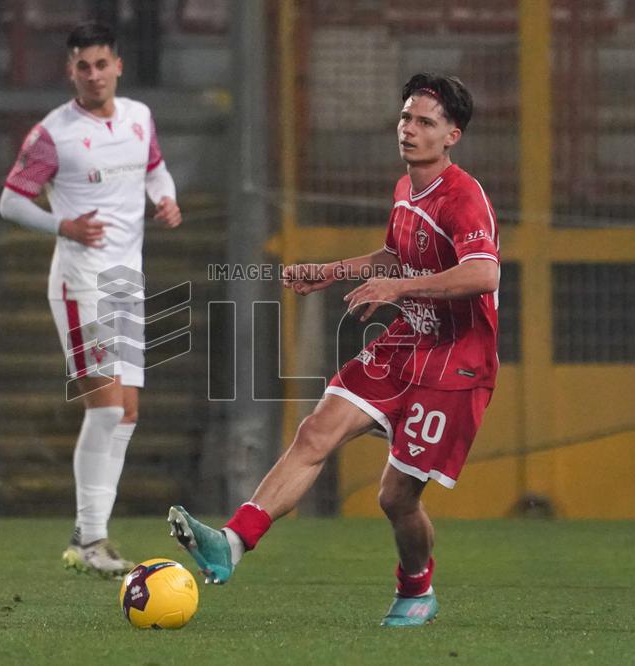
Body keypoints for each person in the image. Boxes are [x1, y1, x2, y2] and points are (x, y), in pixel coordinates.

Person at [168, 73, 498, 626]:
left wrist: (397, 290)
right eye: (406, 118)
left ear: (452, 137)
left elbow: (483, 274)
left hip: (454, 364)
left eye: (425, 123)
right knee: (315, 432)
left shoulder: (464, 198)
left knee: (395, 499)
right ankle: (232, 541)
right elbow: (395, 257)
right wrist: (331, 272)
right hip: (406, 343)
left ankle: (417, 589)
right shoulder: (405, 188)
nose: (409, 130)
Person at [0, 21, 181, 578]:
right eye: (84, 65)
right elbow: (10, 200)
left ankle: (92, 537)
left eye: (102, 64)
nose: (94, 75)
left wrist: (166, 199)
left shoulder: (139, 118)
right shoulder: (53, 134)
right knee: (105, 408)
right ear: (70, 70)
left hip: (128, 282)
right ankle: (89, 536)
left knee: (126, 412)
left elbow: (154, 168)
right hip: (82, 282)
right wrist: (64, 226)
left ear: (118, 66)